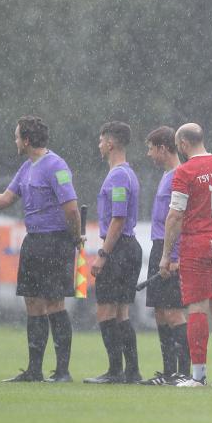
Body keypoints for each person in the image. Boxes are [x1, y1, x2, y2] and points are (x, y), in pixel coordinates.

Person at [0, 116, 80, 382]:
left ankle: (62, 371)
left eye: (17, 136)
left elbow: (72, 209)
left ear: (27, 140)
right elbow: (7, 198)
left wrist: (75, 239)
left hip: (55, 241)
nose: (15, 141)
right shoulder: (27, 167)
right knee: (32, 302)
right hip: (33, 241)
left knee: (54, 302)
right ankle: (34, 371)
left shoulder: (56, 165)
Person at [160, 123, 212, 388]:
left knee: (197, 307)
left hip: (198, 246)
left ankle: (198, 376)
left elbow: (175, 215)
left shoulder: (185, 171)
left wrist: (166, 254)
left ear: (182, 144)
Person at [85, 122, 144, 384]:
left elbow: (118, 219)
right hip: (128, 248)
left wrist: (102, 254)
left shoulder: (119, 175)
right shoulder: (127, 173)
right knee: (121, 312)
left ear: (110, 144)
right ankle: (130, 371)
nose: (98, 145)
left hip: (119, 249)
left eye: (101, 141)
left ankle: (115, 371)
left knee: (106, 310)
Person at [140, 126, 190, 386]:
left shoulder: (179, 175)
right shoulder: (166, 175)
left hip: (170, 250)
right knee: (160, 312)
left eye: (151, 148)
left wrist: (174, 255)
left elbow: (181, 218)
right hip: (160, 246)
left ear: (162, 148)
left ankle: (184, 373)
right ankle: (169, 372)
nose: (149, 154)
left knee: (173, 312)